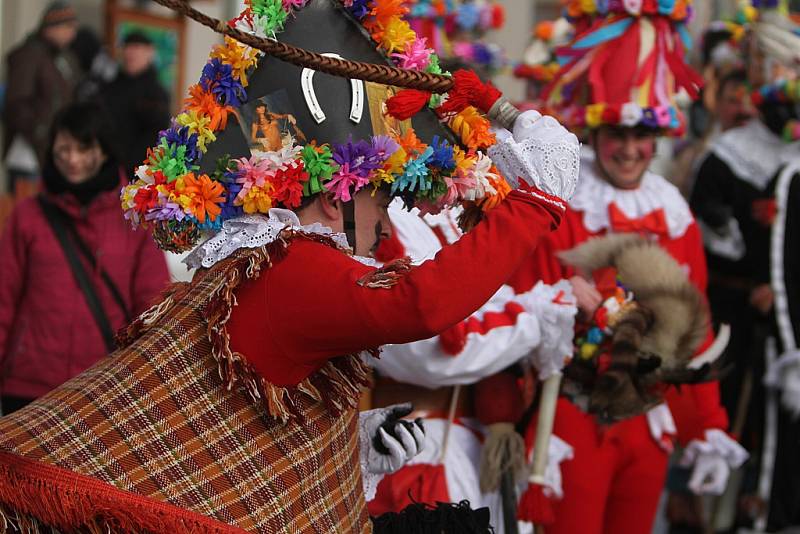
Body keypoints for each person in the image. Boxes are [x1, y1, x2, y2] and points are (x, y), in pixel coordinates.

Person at [0, 2, 579, 533]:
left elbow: (239, 425)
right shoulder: (294, 264)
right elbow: (420, 304)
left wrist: (342, 447)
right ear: (334, 197)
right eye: (381, 200)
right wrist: (538, 205)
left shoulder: (267, 260)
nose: (384, 228)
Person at [511, 3, 748, 533]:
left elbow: (694, 323)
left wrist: (705, 425)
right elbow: (519, 299)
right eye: (616, 133)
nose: (630, 149)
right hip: (569, 410)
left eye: (642, 136)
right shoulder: (563, 204)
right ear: (594, 135)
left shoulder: (672, 210)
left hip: (647, 416)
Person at [366, 201, 577, 533]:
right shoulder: (384, 219)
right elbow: (432, 350)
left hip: (480, 447)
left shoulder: (453, 209)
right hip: (424, 445)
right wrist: (542, 315)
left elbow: (488, 302)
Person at [690, 4, 800, 530]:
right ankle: (718, 514)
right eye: (771, 67)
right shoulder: (729, 156)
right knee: (734, 423)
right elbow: (712, 242)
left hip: (791, 319)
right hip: (740, 318)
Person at [0, 101, 170, 415]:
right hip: (27, 384)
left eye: (84, 148)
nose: (72, 159)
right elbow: (4, 299)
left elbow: (152, 307)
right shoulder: (28, 216)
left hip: (100, 389)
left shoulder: (133, 222)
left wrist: (145, 382)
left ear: (105, 150)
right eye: (63, 149)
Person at [2, 1, 80, 193]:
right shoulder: (29, 55)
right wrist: (40, 132)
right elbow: (16, 104)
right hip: (28, 154)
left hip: (54, 152)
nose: (72, 33)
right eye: (68, 27)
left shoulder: (64, 58)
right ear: (51, 27)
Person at [98, 31, 170, 177]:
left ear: (149, 52)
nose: (130, 53)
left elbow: (157, 135)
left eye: (136, 47)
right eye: (127, 47)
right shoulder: (109, 87)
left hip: (138, 173)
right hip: (104, 166)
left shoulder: (156, 93)